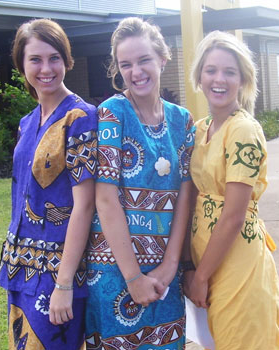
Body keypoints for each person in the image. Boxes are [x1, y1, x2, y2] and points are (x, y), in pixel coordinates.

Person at [85, 17, 195, 349]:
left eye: (144, 60)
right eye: (126, 64)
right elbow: (105, 200)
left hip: (165, 274)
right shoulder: (112, 113)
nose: (136, 72)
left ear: (163, 58)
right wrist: (133, 279)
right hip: (115, 272)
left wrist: (169, 267)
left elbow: (185, 195)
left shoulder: (182, 120)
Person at [0, 18, 97, 350]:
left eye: (54, 57)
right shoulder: (27, 123)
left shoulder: (81, 119)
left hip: (58, 274)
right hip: (20, 269)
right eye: (35, 59)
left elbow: (85, 205)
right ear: (21, 64)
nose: (46, 68)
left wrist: (64, 283)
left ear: (67, 60)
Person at [185, 30, 279, 349]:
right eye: (211, 70)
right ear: (199, 76)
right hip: (209, 264)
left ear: (243, 79)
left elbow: (233, 217)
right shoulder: (199, 129)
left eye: (230, 71)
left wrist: (199, 278)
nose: (219, 79)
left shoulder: (243, 130)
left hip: (238, 266)